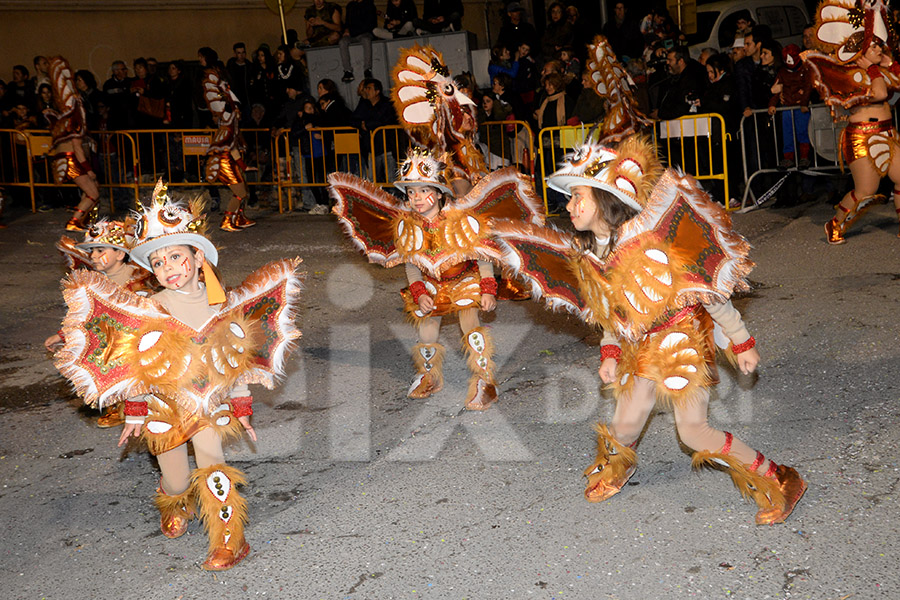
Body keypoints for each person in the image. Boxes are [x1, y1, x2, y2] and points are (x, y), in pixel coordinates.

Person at [492, 136, 807, 524]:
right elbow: (609, 314)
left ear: (606, 201)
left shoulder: (652, 242)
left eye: (578, 197)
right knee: (623, 426)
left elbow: (707, 292)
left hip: (681, 339)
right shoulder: (589, 255)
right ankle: (621, 466)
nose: (569, 206)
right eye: (570, 198)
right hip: (640, 345)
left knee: (693, 434)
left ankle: (780, 477)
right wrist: (609, 353)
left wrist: (741, 340)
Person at [53, 181, 303, 571]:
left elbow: (232, 360)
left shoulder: (224, 304)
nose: (167, 268)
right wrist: (134, 411)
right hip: (164, 407)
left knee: (213, 465)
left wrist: (241, 405)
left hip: (208, 402)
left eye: (175, 257)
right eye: (158, 262)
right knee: (176, 481)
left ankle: (229, 540)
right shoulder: (148, 307)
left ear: (198, 256)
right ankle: (175, 498)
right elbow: (135, 364)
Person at [329, 147, 544, 409]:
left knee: (469, 320)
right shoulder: (407, 226)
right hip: (432, 283)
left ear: (439, 193)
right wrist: (419, 293)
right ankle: (429, 375)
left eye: (423, 190)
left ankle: (484, 380)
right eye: (410, 192)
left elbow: (483, 254)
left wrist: (488, 288)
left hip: (465, 279)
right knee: (427, 326)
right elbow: (411, 264)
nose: (416, 198)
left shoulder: (460, 220)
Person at [46, 219, 157, 427]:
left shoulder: (139, 280)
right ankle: (114, 403)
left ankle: (136, 404)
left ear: (120, 254)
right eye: (92, 252)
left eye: (100, 250)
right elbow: (85, 316)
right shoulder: (96, 282)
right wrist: (63, 336)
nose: (94, 257)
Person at [806, 0, 900, 243]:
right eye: (875, 46)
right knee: (866, 191)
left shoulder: (879, 68)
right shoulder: (853, 74)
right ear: (861, 50)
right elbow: (879, 93)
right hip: (862, 136)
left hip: (888, 132)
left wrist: (889, 64)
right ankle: (835, 224)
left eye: (881, 45)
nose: (881, 50)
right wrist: (873, 69)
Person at [198, 47, 255, 231]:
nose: (238, 113)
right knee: (240, 192)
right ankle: (227, 221)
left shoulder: (231, 127)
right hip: (223, 162)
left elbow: (233, 148)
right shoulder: (227, 127)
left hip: (228, 159)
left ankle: (238, 219)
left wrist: (245, 166)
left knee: (242, 190)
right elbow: (226, 148)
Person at [43, 57, 102, 231]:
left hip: (64, 158)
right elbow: (76, 147)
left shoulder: (63, 119)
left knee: (93, 189)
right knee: (93, 193)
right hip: (71, 160)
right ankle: (74, 221)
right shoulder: (73, 119)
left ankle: (83, 219)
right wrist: (88, 169)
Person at [768, 44, 813, 169]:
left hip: (800, 108)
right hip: (787, 108)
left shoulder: (805, 70)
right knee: (787, 134)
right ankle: (788, 158)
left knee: (803, 131)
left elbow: (808, 88)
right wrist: (772, 104)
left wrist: (804, 103)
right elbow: (777, 89)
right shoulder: (782, 72)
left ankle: (804, 157)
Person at [339, 0, 377, 82]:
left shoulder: (369, 5)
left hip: (364, 33)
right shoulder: (350, 5)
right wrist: (346, 30)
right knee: (342, 42)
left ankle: (367, 69)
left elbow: (370, 25)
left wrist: (352, 31)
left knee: (366, 40)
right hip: (352, 34)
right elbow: (347, 22)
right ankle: (347, 70)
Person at [226, 42, 254, 113]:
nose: (241, 55)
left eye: (243, 53)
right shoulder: (231, 66)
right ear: (235, 54)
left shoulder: (249, 67)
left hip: (247, 100)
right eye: (239, 53)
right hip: (234, 99)